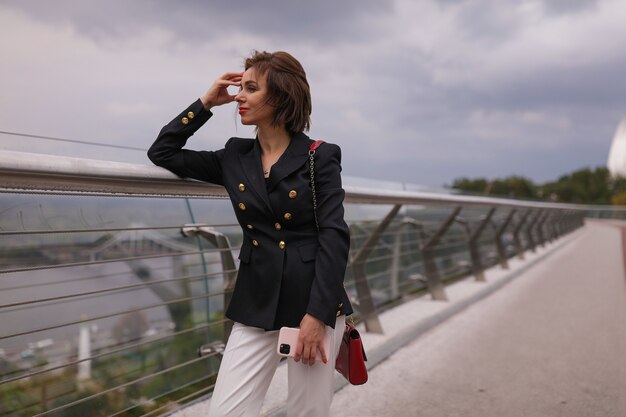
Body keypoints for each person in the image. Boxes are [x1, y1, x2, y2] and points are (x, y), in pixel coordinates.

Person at [148, 50, 353, 417]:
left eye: (251, 88)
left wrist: (316, 317)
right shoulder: (234, 156)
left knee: (307, 412)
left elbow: (334, 236)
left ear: (281, 96)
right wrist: (205, 102)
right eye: (239, 87)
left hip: (313, 304)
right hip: (256, 300)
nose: (238, 97)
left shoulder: (320, 156)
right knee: (225, 411)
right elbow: (162, 152)